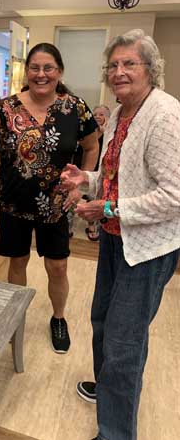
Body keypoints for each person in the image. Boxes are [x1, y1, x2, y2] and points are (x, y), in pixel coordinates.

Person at [61, 29, 180, 440]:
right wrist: (87, 179)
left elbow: (174, 196)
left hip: (146, 249)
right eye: (113, 65)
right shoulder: (120, 114)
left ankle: (115, 432)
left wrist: (110, 208)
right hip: (116, 237)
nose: (119, 71)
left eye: (130, 63)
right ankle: (110, 389)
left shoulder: (164, 116)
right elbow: (117, 178)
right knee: (102, 322)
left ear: (151, 69)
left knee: (124, 342)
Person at [0, 42, 99, 354]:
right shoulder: (6, 108)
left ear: (59, 72)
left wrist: (81, 184)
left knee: (58, 267)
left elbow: (92, 147)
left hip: (56, 205)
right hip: (14, 202)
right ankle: (15, 317)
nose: (41, 74)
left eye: (48, 68)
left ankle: (59, 317)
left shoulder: (74, 108)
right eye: (34, 68)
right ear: (27, 72)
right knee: (17, 261)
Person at [84, 104, 111, 241]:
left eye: (102, 114)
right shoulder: (89, 131)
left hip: (106, 172)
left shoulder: (112, 131)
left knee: (104, 200)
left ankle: (104, 226)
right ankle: (91, 227)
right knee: (90, 199)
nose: (98, 117)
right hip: (91, 171)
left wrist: (105, 131)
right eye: (95, 115)